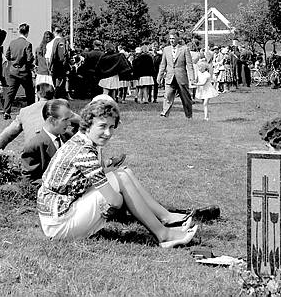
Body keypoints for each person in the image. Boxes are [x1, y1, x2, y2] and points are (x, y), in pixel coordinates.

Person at [36, 100, 198, 246]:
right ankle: (164, 234)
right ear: (87, 125)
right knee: (120, 178)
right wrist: (122, 197)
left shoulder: (80, 140)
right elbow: (115, 202)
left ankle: (166, 220)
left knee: (122, 174)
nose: (108, 133)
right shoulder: (83, 152)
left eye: (112, 127)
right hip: (59, 224)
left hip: (58, 213)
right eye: (102, 126)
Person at [0, 83, 78, 152]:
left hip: (33, 152)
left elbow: (7, 134)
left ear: (37, 94)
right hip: (53, 149)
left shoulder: (25, 111)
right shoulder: (60, 107)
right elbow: (82, 122)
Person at [20, 99, 74, 188]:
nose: (69, 123)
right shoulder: (34, 145)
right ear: (52, 120)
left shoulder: (69, 137)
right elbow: (29, 180)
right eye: (65, 120)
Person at [158, 30, 195, 119]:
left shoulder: (185, 49)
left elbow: (189, 65)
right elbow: (163, 64)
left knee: (185, 97)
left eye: (173, 38)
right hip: (170, 77)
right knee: (167, 95)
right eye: (170, 38)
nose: (171, 40)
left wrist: (192, 78)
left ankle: (189, 115)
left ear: (178, 38)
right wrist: (159, 76)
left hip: (181, 77)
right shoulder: (166, 50)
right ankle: (164, 114)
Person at [3, 23, 35, 119]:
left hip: (13, 71)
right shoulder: (27, 44)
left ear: (19, 31)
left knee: (10, 93)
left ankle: (6, 112)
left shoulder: (12, 42)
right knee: (29, 92)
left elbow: (7, 55)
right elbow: (29, 59)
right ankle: (31, 111)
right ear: (27, 32)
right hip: (24, 72)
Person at [48, 27, 70, 98]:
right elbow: (66, 54)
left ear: (54, 32)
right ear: (61, 32)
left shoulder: (52, 42)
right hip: (61, 65)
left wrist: (49, 66)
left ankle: (54, 96)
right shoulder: (64, 41)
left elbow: (51, 54)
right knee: (61, 82)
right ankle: (59, 96)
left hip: (54, 64)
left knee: (54, 82)